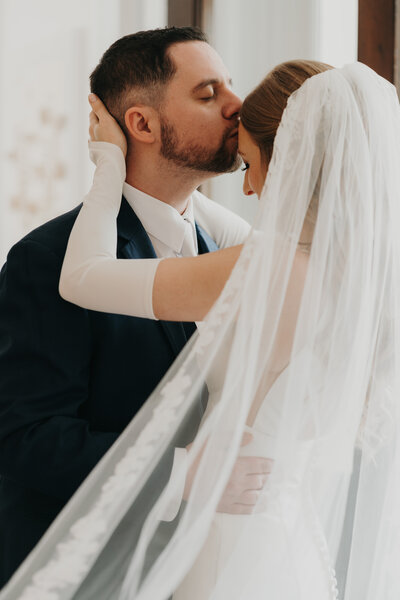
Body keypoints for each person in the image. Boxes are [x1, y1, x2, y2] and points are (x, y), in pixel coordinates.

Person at [2, 60, 400, 600]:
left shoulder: (263, 266)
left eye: (251, 166)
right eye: (210, 91)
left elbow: (85, 278)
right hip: (284, 542)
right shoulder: (357, 273)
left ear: (291, 167)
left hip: (225, 544)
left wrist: (108, 163)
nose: (253, 188)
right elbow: (26, 435)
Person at [0, 26, 270, 590]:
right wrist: (181, 475)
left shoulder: (241, 246)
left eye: (230, 85)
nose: (235, 106)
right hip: (97, 576)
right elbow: (27, 440)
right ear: (141, 125)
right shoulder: (45, 260)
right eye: (206, 93)